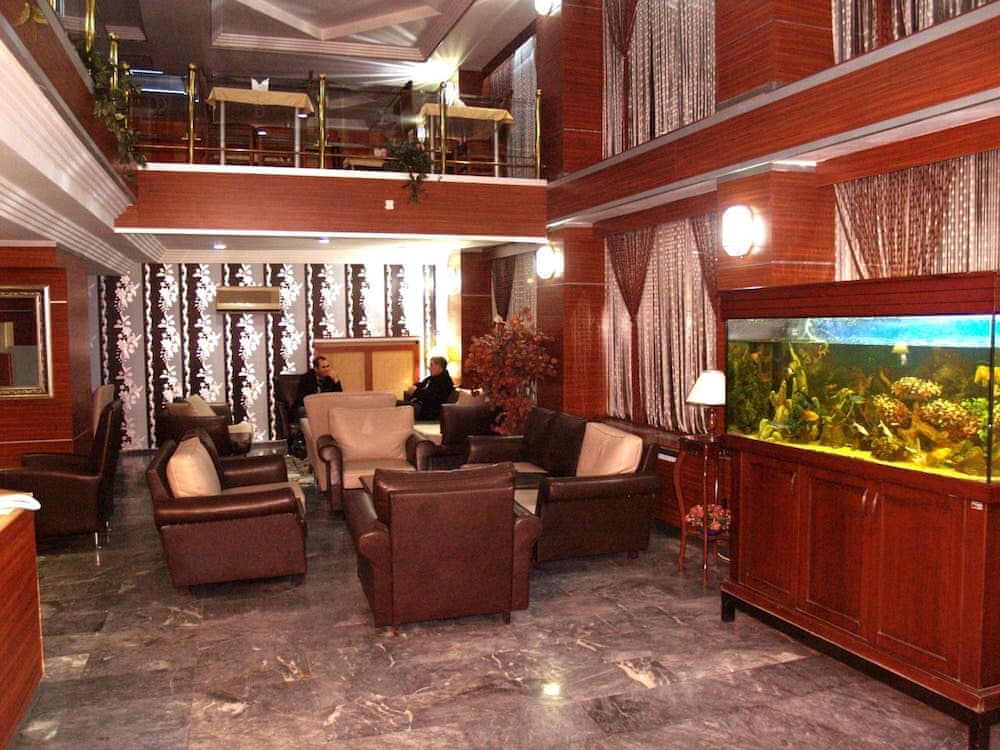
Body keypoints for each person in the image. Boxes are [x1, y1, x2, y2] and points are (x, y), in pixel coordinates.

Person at [405, 356, 454, 421]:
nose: (429, 368)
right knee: (395, 403)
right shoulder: (431, 378)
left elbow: (431, 396)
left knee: (398, 406)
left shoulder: (445, 380)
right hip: (420, 405)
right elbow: (420, 385)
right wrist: (413, 388)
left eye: (431, 365)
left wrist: (415, 391)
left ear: (438, 366)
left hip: (430, 411)